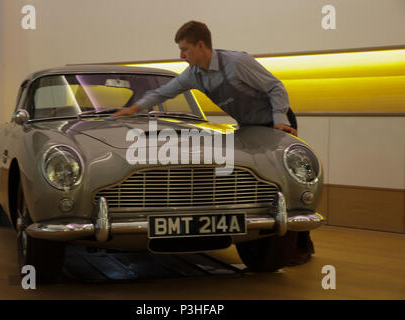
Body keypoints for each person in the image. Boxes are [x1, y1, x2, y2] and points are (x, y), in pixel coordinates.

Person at [111, 20, 313, 265]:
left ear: (200, 45)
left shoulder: (237, 63)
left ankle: (301, 246)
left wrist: (279, 120)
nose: (181, 55)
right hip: (249, 126)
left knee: (286, 181)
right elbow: (164, 92)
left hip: (276, 121)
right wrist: (133, 108)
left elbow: (275, 88)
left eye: (185, 49)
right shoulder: (195, 75)